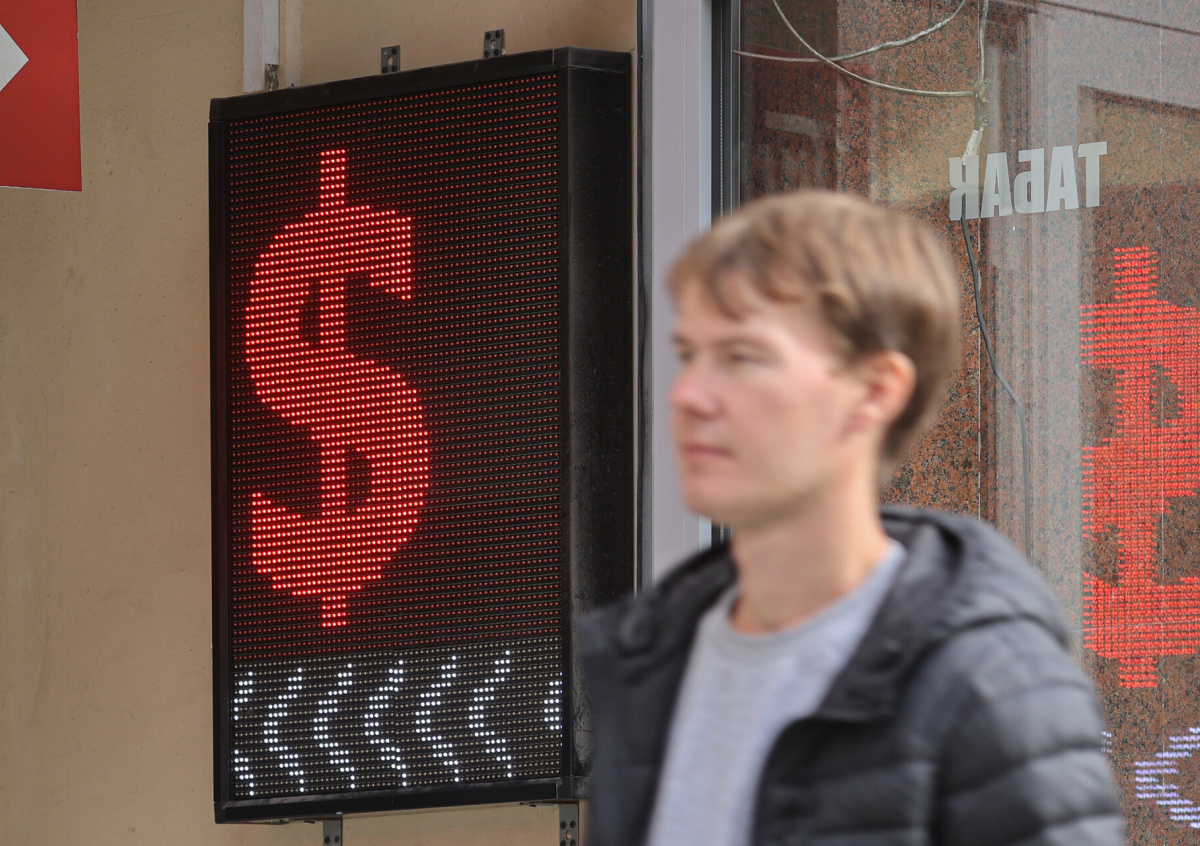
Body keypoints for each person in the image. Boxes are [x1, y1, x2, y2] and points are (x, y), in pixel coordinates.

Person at [578, 190, 1123, 846]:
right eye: (690, 354)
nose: (689, 395)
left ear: (874, 391)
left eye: (743, 357)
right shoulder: (646, 664)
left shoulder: (989, 682)